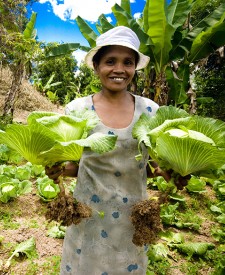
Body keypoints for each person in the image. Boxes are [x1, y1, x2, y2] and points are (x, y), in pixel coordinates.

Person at [46, 26, 160, 274]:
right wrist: (57, 170)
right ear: (96, 66)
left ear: (134, 69)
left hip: (133, 218)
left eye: (128, 62)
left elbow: (146, 167)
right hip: (88, 215)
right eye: (110, 61)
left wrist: (171, 172)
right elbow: (78, 165)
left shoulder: (150, 111)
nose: (119, 69)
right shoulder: (78, 110)